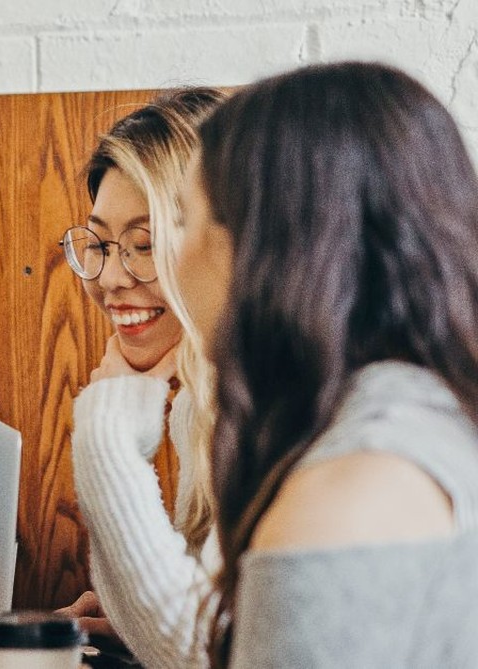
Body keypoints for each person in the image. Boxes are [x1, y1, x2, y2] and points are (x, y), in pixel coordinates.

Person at [180, 61, 478, 667]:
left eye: (184, 219)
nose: (170, 258)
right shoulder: (435, 417)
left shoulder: (349, 494)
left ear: (261, 247)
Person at [55, 88, 225, 669]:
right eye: (100, 244)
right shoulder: (199, 402)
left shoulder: (277, 407)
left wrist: (106, 434)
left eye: (144, 245)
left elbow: (204, 654)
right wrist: (133, 618)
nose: (109, 278)